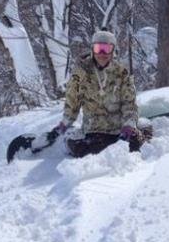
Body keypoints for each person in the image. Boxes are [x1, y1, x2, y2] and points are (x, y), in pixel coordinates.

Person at [56, 30, 142, 158]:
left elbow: (129, 103)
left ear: (112, 50)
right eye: (98, 48)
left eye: (106, 49)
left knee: (133, 147)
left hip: (118, 130)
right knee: (88, 152)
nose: (102, 54)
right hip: (94, 129)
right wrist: (66, 121)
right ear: (92, 50)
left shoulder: (121, 72)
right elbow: (72, 101)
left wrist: (128, 125)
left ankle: (138, 130)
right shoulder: (81, 72)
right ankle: (70, 137)